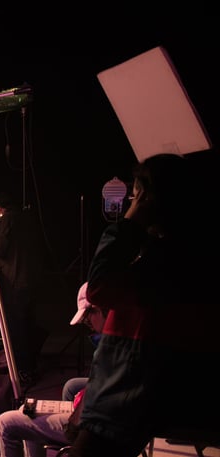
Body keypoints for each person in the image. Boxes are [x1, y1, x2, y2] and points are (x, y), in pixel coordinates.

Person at [71, 154, 220, 456]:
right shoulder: (195, 255)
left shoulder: (169, 262)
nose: (131, 202)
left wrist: (128, 225)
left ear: (150, 199)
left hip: (127, 402)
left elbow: (99, 288)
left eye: (136, 195)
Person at [0, 282, 106, 457]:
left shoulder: (111, 348)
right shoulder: (123, 339)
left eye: (87, 318)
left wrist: (79, 405)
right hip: (103, 417)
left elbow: (99, 396)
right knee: (57, 394)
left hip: (95, 426)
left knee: (6, 422)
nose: (88, 325)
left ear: (99, 310)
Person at [0, 188, 48, 387]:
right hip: (32, 278)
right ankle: (30, 367)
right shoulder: (26, 217)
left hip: (16, 280)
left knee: (17, 327)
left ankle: (22, 370)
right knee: (28, 323)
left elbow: (0, 249)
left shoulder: (7, 219)